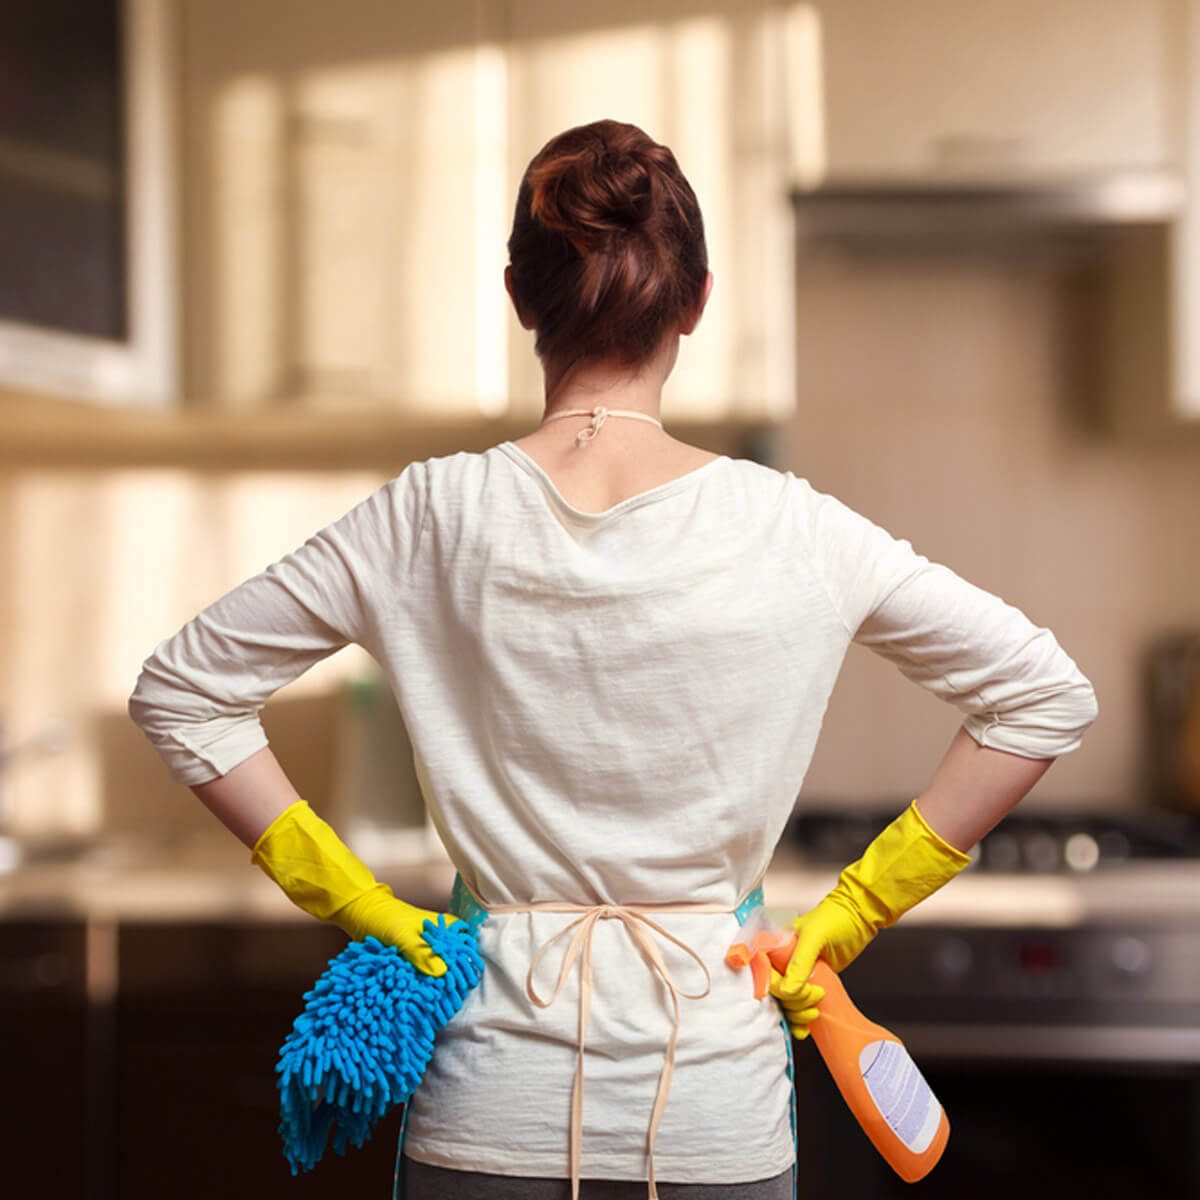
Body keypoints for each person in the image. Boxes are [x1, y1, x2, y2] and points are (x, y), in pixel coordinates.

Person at [127, 118, 1099, 1200]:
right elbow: (1041, 697)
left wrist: (368, 911)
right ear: (696, 301)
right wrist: (854, 911)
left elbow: (183, 691)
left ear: (519, 296)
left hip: (487, 1109)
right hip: (714, 1118)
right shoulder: (798, 530)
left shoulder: (430, 516)